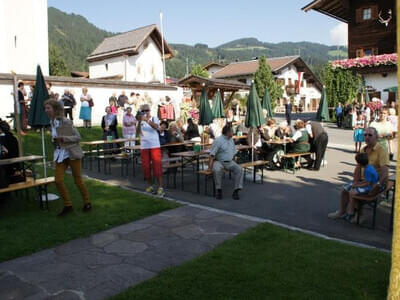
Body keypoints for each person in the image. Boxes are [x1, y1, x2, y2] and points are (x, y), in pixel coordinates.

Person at [328, 127, 389, 219]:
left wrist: (378, 184)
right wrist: (355, 181)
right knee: (345, 190)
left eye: (370, 135)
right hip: (363, 180)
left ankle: (359, 215)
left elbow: (385, 172)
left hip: (374, 182)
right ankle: (342, 212)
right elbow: (358, 167)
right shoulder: (363, 150)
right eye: (365, 135)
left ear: (376, 137)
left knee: (354, 192)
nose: (367, 137)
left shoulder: (381, 151)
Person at [44, 99, 91, 216]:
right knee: (58, 180)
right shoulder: (52, 122)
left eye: (48, 108)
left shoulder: (65, 121)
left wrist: (63, 138)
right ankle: (68, 205)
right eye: (45, 108)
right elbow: (55, 139)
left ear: (55, 109)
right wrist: (54, 141)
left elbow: (77, 137)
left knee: (78, 180)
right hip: (60, 155)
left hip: (71, 154)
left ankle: (87, 202)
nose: (46, 110)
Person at [340, 152, 379, 222]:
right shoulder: (369, 166)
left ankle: (351, 211)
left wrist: (357, 185)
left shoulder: (367, 170)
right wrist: (357, 184)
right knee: (350, 188)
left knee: (352, 192)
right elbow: (366, 181)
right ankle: (350, 210)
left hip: (370, 188)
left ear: (360, 164)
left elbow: (367, 183)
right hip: (370, 185)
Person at [208, 125, 244, 200]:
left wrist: (235, 162)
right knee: (217, 170)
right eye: (232, 131)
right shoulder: (218, 140)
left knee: (239, 169)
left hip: (230, 162)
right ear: (227, 132)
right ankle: (219, 190)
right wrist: (209, 168)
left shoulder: (231, 139)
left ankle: (236, 191)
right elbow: (212, 155)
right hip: (219, 161)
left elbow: (234, 153)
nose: (233, 133)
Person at [137, 104, 164, 196]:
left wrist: (147, 120)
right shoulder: (140, 120)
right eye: (143, 111)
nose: (145, 112)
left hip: (154, 145)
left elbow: (156, 127)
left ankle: (160, 187)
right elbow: (138, 132)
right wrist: (140, 122)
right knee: (146, 167)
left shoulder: (154, 118)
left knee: (157, 166)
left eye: (147, 110)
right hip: (144, 146)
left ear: (150, 110)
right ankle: (149, 186)